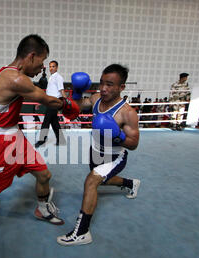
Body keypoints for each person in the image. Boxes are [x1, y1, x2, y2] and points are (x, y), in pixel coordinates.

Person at [0, 34, 80, 258]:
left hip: (16, 138)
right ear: (30, 56)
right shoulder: (16, 79)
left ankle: (42, 208)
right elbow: (48, 101)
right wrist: (69, 104)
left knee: (44, 174)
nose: (42, 68)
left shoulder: (6, 70)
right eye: (41, 61)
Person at [56, 64, 141, 246]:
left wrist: (116, 134)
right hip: (95, 151)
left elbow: (134, 144)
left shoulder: (127, 113)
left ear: (121, 87)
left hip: (114, 156)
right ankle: (131, 183)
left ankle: (82, 232)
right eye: (102, 83)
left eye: (110, 84)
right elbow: (76, 108)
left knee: (91, 181)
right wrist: (76, 93)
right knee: (104, 180)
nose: (103, 88)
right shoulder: (95, 99)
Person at [35, 60, 67, 147]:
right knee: (54, 123)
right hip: (50, 102)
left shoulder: (58, 77)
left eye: (53, 66)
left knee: (46, 121)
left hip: (54, 102)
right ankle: (61, 140)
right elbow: (49, 93)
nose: (51, 68)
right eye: (50, 66)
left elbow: (62, 90)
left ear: (57, 67)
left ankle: (42, 140)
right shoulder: (51, 77)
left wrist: (67, 102)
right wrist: (41, 102)